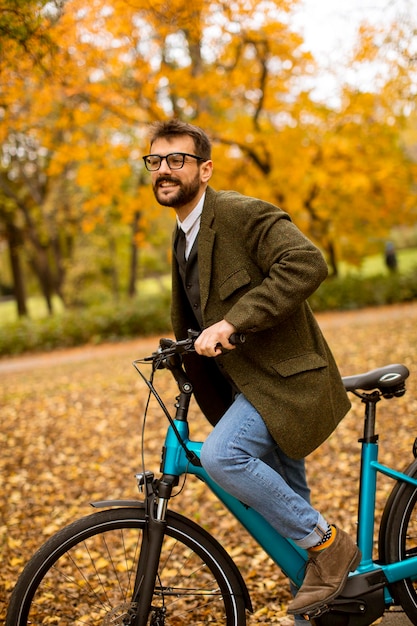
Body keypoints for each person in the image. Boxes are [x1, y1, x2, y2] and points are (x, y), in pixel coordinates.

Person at [143, 119, 361, 620]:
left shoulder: (239, 213)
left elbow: (306, 263)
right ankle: (331, 601)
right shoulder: (182, 235)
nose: (164, 170)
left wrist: (232, 323)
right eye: (155, 161)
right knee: (288, 508)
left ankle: (329, 545)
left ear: (206, 168)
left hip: (286, 380)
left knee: (223, 455)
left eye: (177, 159)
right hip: (248, 386)